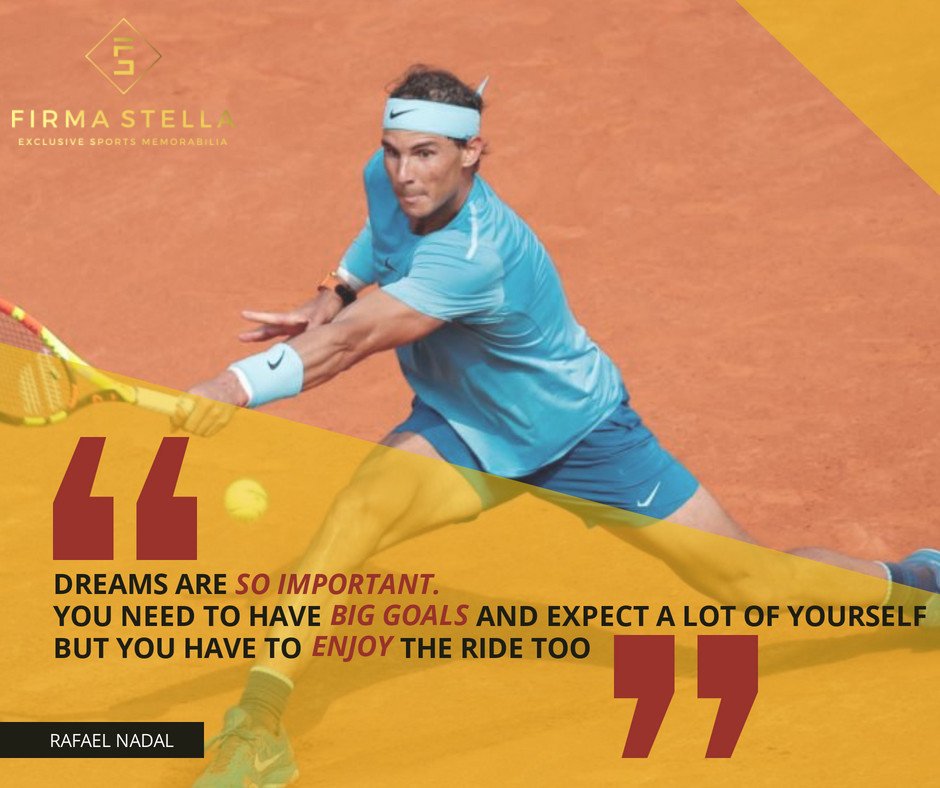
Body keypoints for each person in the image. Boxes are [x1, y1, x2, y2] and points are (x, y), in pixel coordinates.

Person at [182, 66, 939, 787]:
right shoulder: (391, 180)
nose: (405, 173)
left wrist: (233, 385)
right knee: (352, 519)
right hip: (465, 426)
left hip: (583, 435)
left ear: (473, 151)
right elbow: (376, 237)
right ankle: (257, 724)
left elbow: (350, 343)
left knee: (748, 584)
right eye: (393, 151)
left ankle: (915, 583)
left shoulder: (476, 255)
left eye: (426, 154)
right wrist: (338, 285)